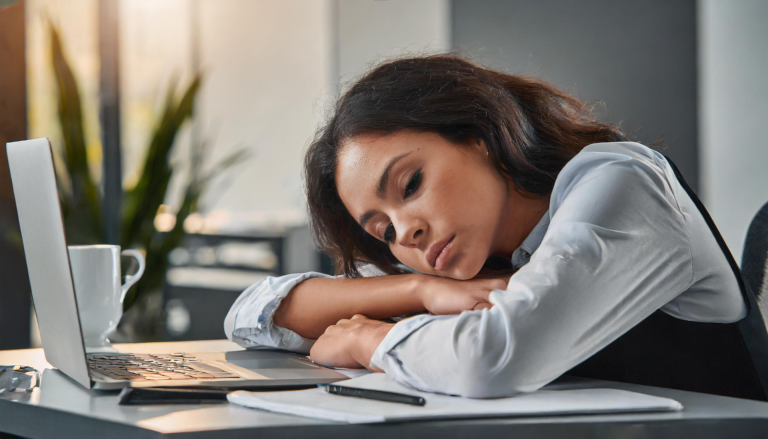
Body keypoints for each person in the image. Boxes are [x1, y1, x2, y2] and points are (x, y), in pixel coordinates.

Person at [224, 55, 746, 398]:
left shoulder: (622, 181)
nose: (406, 233)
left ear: (480, 134)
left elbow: (494, 357)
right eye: (383, 231)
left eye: (411, 184)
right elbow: (252, 314)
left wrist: (368, 338)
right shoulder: (470, 261)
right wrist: (418, 289)